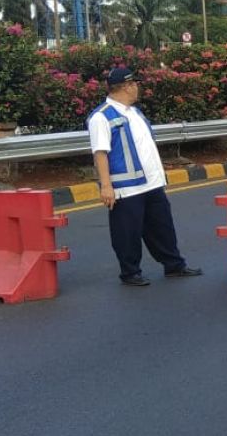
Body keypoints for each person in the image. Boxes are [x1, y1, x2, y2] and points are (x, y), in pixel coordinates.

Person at [87, 67, 203, 286]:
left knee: (162, 226)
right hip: (126, 186)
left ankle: (174, 265)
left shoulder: (134, 112)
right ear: (127, 87)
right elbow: (100, 153)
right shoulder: (101, 117)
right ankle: (130, 273)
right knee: (127, 232)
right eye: (135, 84)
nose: (137, 88)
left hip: (151, 183)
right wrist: (106, 186)